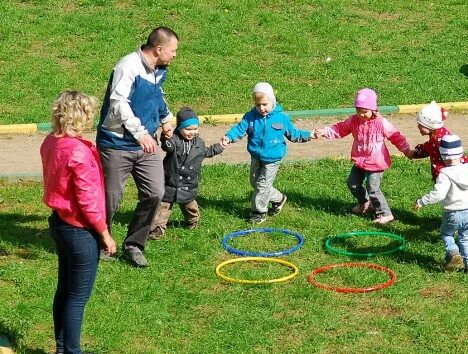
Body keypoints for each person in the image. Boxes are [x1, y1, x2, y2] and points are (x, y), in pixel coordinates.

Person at [41, 91, 116, 354]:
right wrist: (105, 234)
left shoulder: (51, 142)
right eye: (88, 113)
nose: (91, 118)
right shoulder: (78, 152)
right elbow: (86, 201)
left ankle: (64, 349)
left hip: (59, 222)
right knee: (77, 297)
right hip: (78, 230)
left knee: (65, 290)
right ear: (78, 115)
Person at [96, 26, 178, 267]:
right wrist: (141, 133)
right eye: (173, 51)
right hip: (116, 144)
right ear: (159, 49)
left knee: (154, 193)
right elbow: (118, 102)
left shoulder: (158, 69)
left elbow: (155, 94)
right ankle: (101, 243)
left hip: (147, 145)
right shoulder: (127, 66)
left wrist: (165, 119)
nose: (175, 55)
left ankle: (134, 245)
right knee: (111, 198)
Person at [220, 82, 316, 224]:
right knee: (255, 182)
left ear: (272, 100)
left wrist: (310, 134)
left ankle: (259, 212)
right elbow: (239, 129)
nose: (262, 108)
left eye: (265, 104)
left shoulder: (281, 117)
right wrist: (229, 137)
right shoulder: (250, 117)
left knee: (262, 185)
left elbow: (294, 134)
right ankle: (279, 199)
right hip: (256, 156)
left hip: (273, 158)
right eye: (258, 105)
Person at [316, 88, 412, 224]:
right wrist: (325, 132)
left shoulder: (381, 123)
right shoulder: (354, 121)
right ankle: (365, 203)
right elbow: (340, 129)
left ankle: (385, 213)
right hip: (360, 160)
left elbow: (396, 136)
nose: (361, 114)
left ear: (373, 109)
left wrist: (406, 150)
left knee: (373, 188)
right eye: (358, 110)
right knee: (353, 183)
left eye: (365, 111)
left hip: (376, 162)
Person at [149, 107, 225, 239]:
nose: (192, 132)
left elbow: (207, 152)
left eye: (195, 129)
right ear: (179, 128)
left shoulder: (199, 143)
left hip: (188, 183)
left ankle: (193, 223)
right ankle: (157, 230)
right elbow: (167, 146)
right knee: (163, 209)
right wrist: (165, 136)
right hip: (170, 182)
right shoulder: (174, 140)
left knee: (190, 207)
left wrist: (219, 147)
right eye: (188, 129)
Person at [414, 135, 468, 275]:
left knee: (447, 234)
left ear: (442, 155)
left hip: (452, 213)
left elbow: (438, 194)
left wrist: (421, 201)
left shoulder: (444, 174)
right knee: (466, 239)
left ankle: (452, 251)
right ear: (461, 153)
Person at [409, 100, 468, 181]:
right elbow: (428, 148)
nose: (418, 127)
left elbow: (457, 156)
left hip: (446, 175)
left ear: (430, 125)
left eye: (421, 125)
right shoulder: (439, 134)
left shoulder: (438, 140)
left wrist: (415, 153)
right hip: (447, 173)